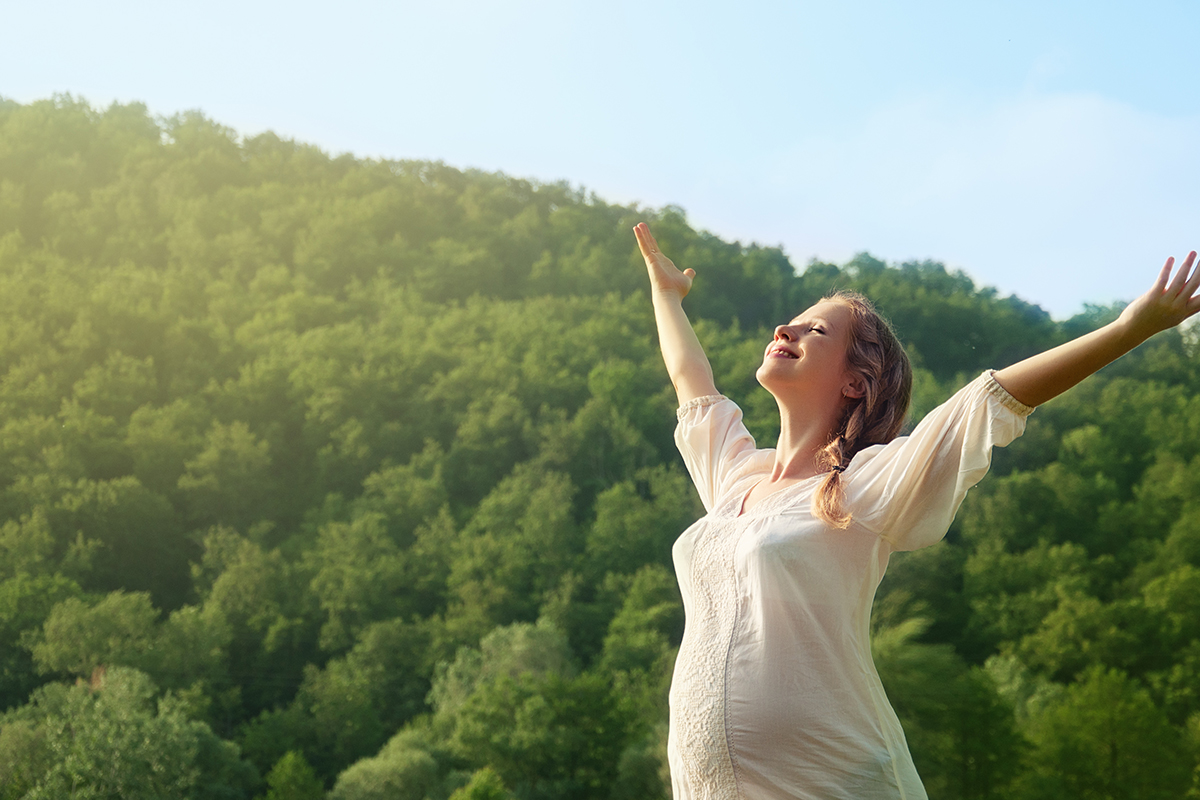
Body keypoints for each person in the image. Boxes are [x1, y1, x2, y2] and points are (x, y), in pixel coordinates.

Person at [634, 220, 1200, 800]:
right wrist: (667, 294)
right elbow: (691, 383)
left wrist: (1131, 329)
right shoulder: (733, 480)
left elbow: (990, 398)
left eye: (815, 329)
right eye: (792, 322)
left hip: (835, 779)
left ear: (856, 381)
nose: (787, 328)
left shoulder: (863, 484)